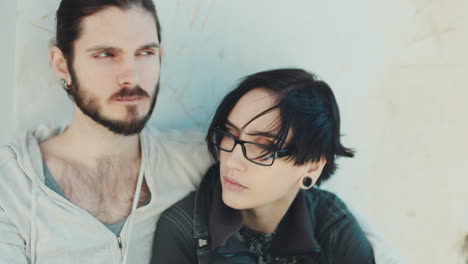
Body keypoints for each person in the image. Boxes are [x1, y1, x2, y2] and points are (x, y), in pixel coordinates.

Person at [0, 0, 211, 263]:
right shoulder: (10, 186)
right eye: (106, 54)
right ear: (62, 65)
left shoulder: (199, 163)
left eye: (145, 53)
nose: (132, 77)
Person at [151, 68, 376, 264]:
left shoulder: (331, 224)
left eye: (264, 147)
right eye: (230, 134)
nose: (232, 161)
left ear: (311, 168)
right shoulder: (183, 229)